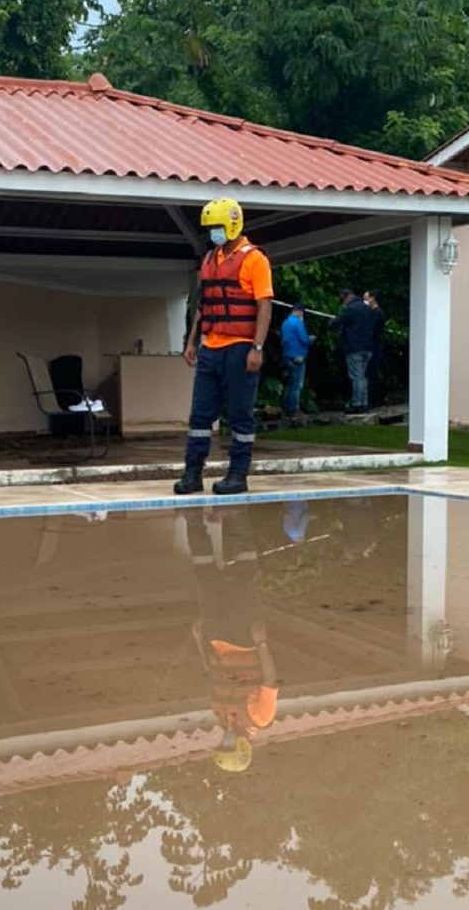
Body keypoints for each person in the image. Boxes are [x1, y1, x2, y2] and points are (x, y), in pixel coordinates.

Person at [175, 198, 273, 496]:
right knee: (200, 416)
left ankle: (238, 475)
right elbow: (204, 305)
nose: (213, 233)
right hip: (211, 348)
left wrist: (257, 347)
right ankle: (193, 474)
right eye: (210, 228)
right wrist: (191, 341)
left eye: (217, 227)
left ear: (232, 224)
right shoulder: (209, 260)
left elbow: (264, 305)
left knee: (240, 413)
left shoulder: (255, 259)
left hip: (240, 348)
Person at [183, 505, 279, 774]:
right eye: (227, 746)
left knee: (205, 575)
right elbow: (270, 682)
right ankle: (236, 515)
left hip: (215, 640)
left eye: (220, 746)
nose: (223, 742)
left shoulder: (220, 715)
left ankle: (193, 521)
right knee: (243, 573)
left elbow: (211, 673)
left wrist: (199, 640)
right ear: (241, 747)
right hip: (243, 637)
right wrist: (261, 643)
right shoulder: (260, 718)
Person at [332, 287, 376, 414]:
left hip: (354, 348)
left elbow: (337, 323)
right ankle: (364, 403)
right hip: (368, 347)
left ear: (346, 297)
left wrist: (332, 323)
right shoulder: (368, 308)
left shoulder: (350, 309)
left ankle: (357, 404)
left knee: (356, 377)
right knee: (362, 377)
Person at [280, 302, 314, 421]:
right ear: (300, 311)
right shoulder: (298, 323)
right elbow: (304, 339)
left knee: (290, 384)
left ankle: (287, 409)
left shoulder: (285, 322)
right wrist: (311, 339)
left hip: (287, 355)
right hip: (298, 355)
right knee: (297, 385)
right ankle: (294, 410)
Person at [363, 290, 386, 408]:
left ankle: (376, 399)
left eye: (366, 299)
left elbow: (370, 327)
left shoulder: (377, 313)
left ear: (373, 299)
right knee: (371, 372)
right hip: (372, 346)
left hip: (375, 347)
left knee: (373, 373)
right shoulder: (373, 313)